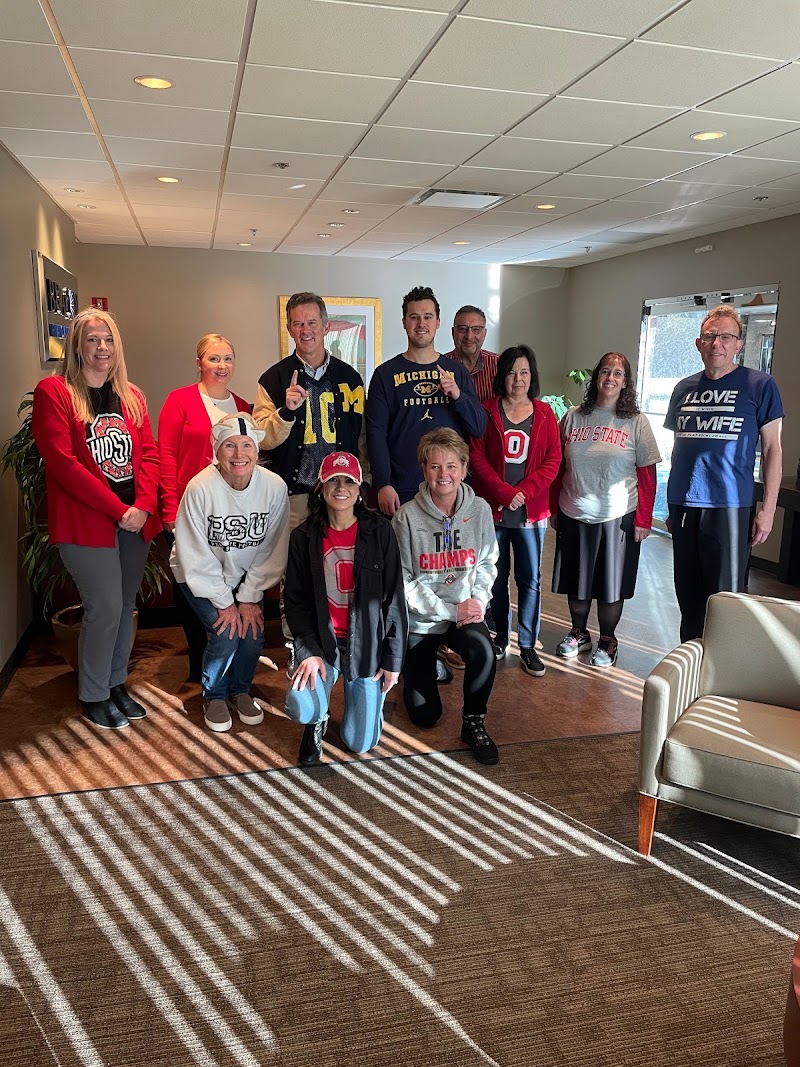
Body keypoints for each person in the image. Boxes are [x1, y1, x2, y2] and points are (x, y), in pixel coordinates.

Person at [31, 307, 161, 730]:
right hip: (87, 523)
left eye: (108, 340)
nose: (102, 348)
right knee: (103, 607)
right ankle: (94, 693)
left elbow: (149, 454)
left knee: (124, 606)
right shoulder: (55, 392)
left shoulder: (131, 395)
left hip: (135, 520)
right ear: (77, 346)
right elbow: (63, 464)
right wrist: (119, 510)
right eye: (92, 339)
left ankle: (115, 683)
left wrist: (143, 505)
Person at [665, 304, 783, 641]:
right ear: (698, 343)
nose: (717, 343)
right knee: (688, 595)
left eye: (726, 337)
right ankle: (691, 661)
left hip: (730, 506)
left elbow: (773, 450)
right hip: (684, 505)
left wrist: (768, 510)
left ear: (738, 345)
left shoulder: (760, 385)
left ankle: (723, 665)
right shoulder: (683, 388)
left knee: (725, 600)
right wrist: (671, 505)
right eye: (710, 336)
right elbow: (679, 448)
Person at [283, 452, 407, 765]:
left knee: (359, 743)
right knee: (300, 705)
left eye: (349, 481)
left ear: (359, 489)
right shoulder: (303, 538)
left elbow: (394, 598)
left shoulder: (380, 532)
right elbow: (295, 602)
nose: (341, 488)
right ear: (321, 488)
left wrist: (392, 660)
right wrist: (307, 651)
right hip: (323, 645)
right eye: (333, 480)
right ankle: (317, 720)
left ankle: (371, 702)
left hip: (365, 647)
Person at [171, 413, 289, 733]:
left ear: (257, 450)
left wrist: (249, 597)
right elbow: (194, 553)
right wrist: (225, 602)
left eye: (246, 445)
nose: (239, 454)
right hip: (197, 574)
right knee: (225, 634)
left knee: (252, 633)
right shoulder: (200, 488)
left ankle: (240, 691)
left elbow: (273, 547)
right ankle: (214, 695)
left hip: (246, 575)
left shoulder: (274, 487)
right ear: (217, 451)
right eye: (230, 446)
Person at [392, 429, 500, 765]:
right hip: (423, 620)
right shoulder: (406, 517)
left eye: (451, 466)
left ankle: (474, 722)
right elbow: (404, 581)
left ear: (464, 468)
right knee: (426, 716)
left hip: (465, 611)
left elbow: (487, 562)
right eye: (435, 466)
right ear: (424, 470)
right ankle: (424, 667)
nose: (444, 474)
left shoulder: (479, 510)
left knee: (484, 649)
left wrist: (478, 602)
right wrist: (450, 611)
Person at [551, 352, 661, 668]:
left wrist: (644, 519)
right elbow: (557, 466)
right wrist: (553, 507)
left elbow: (647, 475)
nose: (610, 378)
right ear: (596, 377)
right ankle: (579, 633)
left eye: (617, 373)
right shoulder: (573, 416)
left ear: (625, 382)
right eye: (605, 371)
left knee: (611, 585)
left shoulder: (636, 422)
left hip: (618, 516)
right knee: (577, 580)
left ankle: (608, 640)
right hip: (574, 510)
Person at [158, 333, 251, 680]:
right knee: (190, 586)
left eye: (227, 358)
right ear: (199, 363)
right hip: (188, 512)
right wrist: (169, 509)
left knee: (229, 584)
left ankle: (228, 659)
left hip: (230, 514)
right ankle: (199, 659)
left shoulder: (242, 406)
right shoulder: (180, 400)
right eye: (214, 358)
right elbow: (166, 455)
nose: (221, 366)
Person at [470, 345, 561, 676]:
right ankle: (500, 637)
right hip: (494, 511)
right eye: (511, 372)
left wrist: (523, 493)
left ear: (531, 376)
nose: (518, 379)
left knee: (529, 580)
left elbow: (553, 459)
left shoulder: (545, 414)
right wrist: (505, 493)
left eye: (524, 372)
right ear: (501, 377)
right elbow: (476, 456)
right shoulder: (486, 411)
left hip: (530, 514)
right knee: (495, 577)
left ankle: (527, 645)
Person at [367, 286, 487, 518]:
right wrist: (383, 483)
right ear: (404, 322)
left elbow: (478, 427)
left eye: (428, 317)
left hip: (449, 487)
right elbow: (376, 433)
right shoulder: (385, 374)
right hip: (401, 488)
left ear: (438, 322)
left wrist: (458, 396)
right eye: (414, 317)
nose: (421, 323)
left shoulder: (457, 372)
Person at [253, 292, 368, 532]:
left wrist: (364, 481)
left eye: (312, 323)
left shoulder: (350, 378)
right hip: (293, 497)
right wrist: (286, 412)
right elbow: (260, 439)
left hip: (341, 491)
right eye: (298, 324)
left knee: (338, 553)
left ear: (326, 327)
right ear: (289, 329)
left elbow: (362, 436)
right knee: (295, 554)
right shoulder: (273, 379)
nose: (306, 330)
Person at [442, 305, 499, 403]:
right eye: (462, 329)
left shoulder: (499, 364)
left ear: (485, 333)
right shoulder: (440, 366)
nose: (469, 336)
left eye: (476, 329)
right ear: (453, 332)